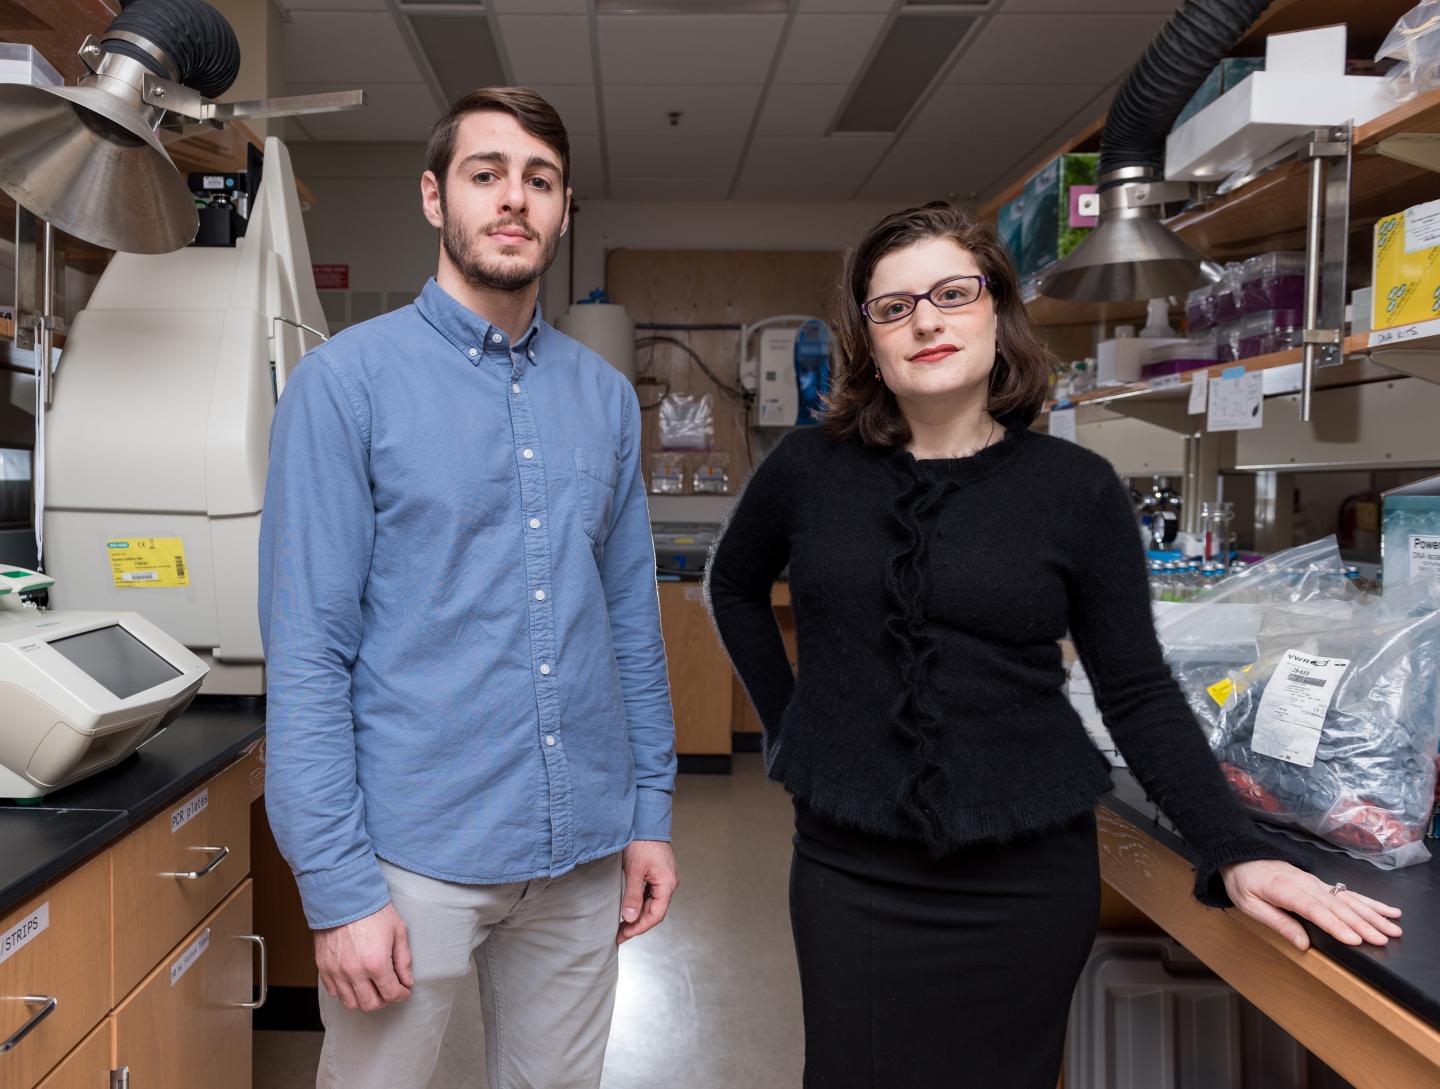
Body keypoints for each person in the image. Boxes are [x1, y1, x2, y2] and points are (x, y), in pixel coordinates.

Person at [703, 202, 1402, 1089]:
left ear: (996, 309)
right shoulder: (807, 468)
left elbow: (1136, 689)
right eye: (893, 306)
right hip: (854, 871)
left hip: (1024, 879)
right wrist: (791, 722)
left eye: (953, 293)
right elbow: (733, 586)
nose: (926, 319)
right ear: (867, 340)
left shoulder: (1075, 489)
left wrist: (1238, 847)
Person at [259, 87, 678, 1089]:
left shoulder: (605, 399)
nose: (512, 200)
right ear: (433, 197)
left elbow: (629, 621)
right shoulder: (344, 384)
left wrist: (650, 813)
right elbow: (309, 650)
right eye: (485, 174)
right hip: (410, 859)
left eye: (539, 181)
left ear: (564, 210)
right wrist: (336, 887)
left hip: (579, 854)